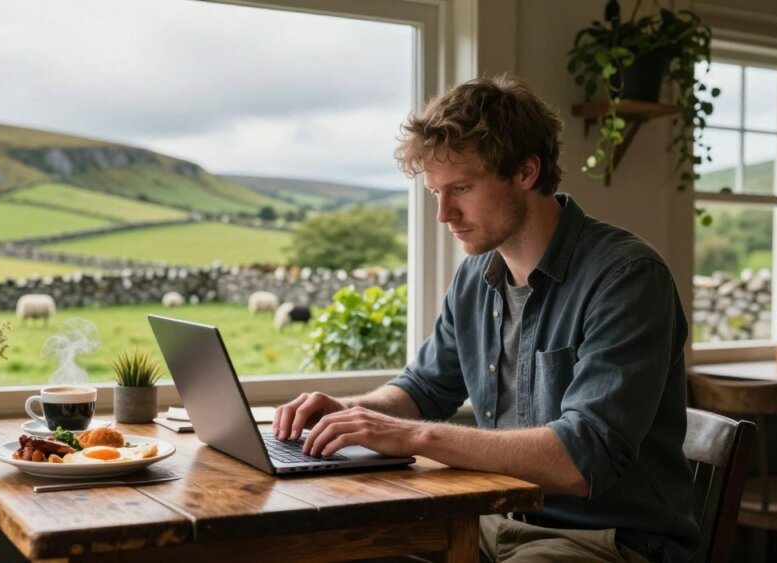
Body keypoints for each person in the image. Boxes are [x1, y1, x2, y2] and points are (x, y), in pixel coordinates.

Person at [272, 75, 698, 563]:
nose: (444, 214)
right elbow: (424, 388)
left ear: (526, 172)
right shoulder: (476, 275)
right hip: (485, 519)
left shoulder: (626, 277)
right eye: (435, 192)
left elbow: (583, 457)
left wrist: (416, 436)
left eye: (462, 188)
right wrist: (348, 414)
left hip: (607, 540)